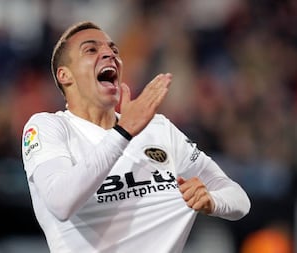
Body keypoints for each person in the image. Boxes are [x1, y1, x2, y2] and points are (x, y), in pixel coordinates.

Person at [21, 21, 250, 253]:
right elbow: (61, 203)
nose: (109, 54)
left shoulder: (158, 129)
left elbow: (239, 198)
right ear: (65, 75)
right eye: (91, 50)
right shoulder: (48, 127)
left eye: (113, 50)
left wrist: (212, 201)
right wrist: (123, 132)